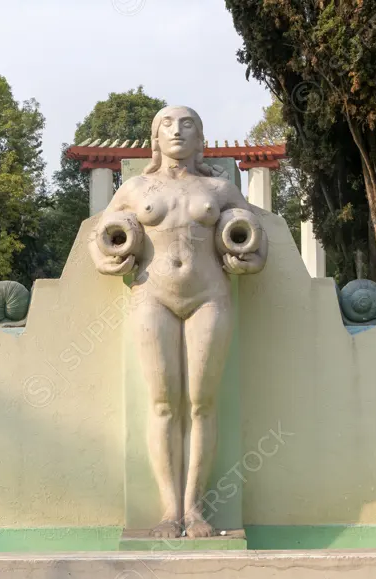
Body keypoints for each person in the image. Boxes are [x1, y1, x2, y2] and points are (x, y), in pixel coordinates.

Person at [90, 106, 267, 539]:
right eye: (167, 124)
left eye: (187, 124)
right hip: (153, 297)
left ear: (200, 137)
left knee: (203, 404)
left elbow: (258, 245)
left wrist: (245, 259)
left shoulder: (219, 188)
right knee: (163, 404)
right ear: (154, 137)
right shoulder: (135, 187)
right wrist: (111, 259)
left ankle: (196, 509)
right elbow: (100, 238)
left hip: (209, 297)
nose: (177, 130)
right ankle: (170, 511)